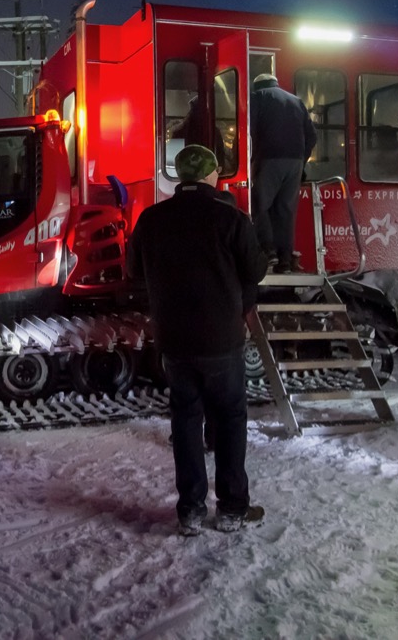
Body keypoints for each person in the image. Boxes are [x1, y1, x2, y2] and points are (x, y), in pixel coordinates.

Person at [126, 144, 269, 536]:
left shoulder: (151, 219)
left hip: (175, 341)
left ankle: (190, 511)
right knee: (229, 420)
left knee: (186, 423)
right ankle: (232, 509)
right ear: (211, 176)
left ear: (179, 176)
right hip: (222, 340)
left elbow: (133, 271)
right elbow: (255, 270)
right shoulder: (231, 219)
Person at [249, 72, 317, 273]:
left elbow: (249, 131)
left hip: (270, 159)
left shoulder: (258, 97)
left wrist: (250, 160)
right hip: (295, 163)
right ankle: (285, 260)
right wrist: (301, 162)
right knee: (285, 212)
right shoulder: (296, 101)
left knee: (257, 204)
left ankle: (268, 251)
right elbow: (312, 137)